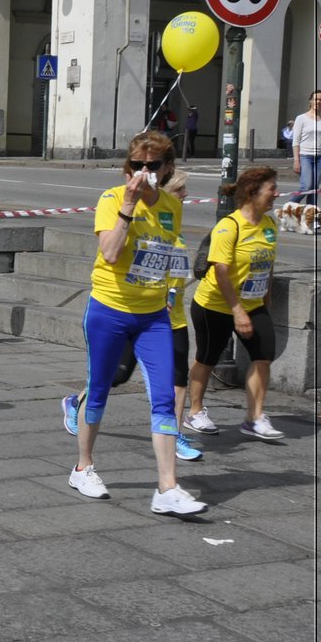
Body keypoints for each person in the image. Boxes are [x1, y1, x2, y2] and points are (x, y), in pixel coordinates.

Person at [67, 132, 206, 516]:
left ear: (168, 168)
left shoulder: (170, 206)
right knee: (98, 391)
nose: (144, 173)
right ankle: (83, 467)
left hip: (154, 316)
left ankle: (167, 487)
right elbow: (110, 253)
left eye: (153, 166)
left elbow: (165, 250)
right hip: (109, 309)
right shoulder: (112, 199)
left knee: (163, 397)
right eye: (137, 166)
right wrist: (128, 205)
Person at [186, 166, 283, 442]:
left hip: (253, 303)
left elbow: (268, 263)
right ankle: (194, 411)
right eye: (271, 189)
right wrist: (237, 310)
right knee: (207, 357)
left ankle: (254, 418)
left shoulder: (269, 224)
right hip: (214, 304)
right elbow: (220, 271)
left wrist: (266, 298)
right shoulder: (230, 226)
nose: (277, 194)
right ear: (253, 193)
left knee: (264, 355)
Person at [291, 90, 321, 206]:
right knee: (306, 186)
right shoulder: (301, 118)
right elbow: (295, 141)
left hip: (320, 158)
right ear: (310, 100)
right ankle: (289, 206)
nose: (318, 102)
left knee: (314, 189)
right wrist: (296, 161)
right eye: (315, 99)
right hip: (305, 156)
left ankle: (310, 217)